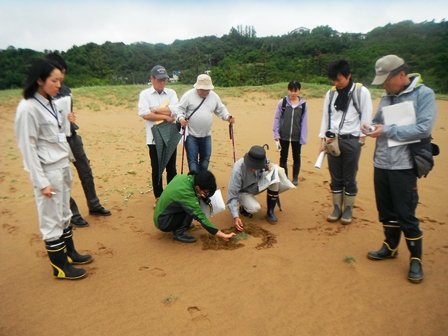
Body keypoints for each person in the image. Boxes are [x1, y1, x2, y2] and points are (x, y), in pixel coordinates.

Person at [15, 58, 93, 280]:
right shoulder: (28, 107)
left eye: (61, 80)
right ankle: (60, 267)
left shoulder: (49, 102)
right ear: (40, 80)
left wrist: (67, 121)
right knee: (51, 219)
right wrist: (41, 183)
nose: (59, 85)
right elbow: (28, 148)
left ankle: (70, 253)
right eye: (54, 80)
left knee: (64, 214)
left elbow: (59, 134)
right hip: (47, 171)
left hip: (61, 164)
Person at [364, 55, 437, 283]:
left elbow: (423, 129)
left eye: (387, 80)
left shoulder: (424, 94)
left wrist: (386, 130)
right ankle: (390, 246)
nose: (385, 85)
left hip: (404, 165)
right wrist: (370, 126)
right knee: (386, 210)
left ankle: (416, 258)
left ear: (402, 75)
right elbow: (378, 121)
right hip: (382, 162)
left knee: (406, 213)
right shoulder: (387, 96)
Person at [45, 52, 111, 228]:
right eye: (58, 73)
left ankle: (94, 205)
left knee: (85, 172)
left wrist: (71, 117)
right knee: (62, 178)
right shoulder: (40, 93)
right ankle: (72, 213)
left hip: (72, 136)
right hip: (55, 142)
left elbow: (68, 112)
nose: (61, 78)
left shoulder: (65, 90)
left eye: (63, 73)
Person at [318, 59, 373, 224]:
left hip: (352, 140)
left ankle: (348, 209)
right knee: (335, 178)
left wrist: (361, 141)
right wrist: (322, 140)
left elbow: (366, 117)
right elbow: (326, 117)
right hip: (332, 140)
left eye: (339, 79)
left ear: (348, 76)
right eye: (333, 80)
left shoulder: (361, 92)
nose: (336, 83)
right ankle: (336, 208)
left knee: (349, 178)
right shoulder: (331, 93)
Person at [153, 170, 236, 243]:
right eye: (205, 192)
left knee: (193, 202)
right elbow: (201, 217)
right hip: (164, 222)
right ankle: (179, 233)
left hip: (162, 214)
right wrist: (222, 235)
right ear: (198, 187)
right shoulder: (186, 194)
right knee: (192, 208)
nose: (205, 194)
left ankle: (183, 224)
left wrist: (200, 194)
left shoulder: (185, 178)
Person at [138, 65, 179, 208]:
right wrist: (165, 116)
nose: (162, 82)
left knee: (171, 169)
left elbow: (175, 110)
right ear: (152, 79)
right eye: (159, 80)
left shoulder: (171, 93)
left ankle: (172, 195)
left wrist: (155, 110)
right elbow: (144, 114)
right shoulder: (145, 94)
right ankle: (159, 196)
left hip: (170, 136)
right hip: (154, 138)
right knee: (157, 170)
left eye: (164, 80)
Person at [177, 74, 235, 172]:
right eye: (203, 90)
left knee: (205, 160)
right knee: (193, 161)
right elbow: (179, 109)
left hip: (206, 135)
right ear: (197, 87)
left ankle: (202, 181)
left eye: (207, 90)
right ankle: (194, 181)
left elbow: (220, 109)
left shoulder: (214, 96)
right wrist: (181, 118)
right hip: (191, 135)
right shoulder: (188, 95)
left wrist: (227, 117)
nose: (205, 92)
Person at [227, 145, 281, 230]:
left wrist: (268, 166)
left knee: (275, 179)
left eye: (258, 166)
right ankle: (243, 209)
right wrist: (235, 216)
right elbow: (232, 195)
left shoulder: (262, 160)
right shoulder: (237, 170)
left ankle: (270, 212)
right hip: (243, 191)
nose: (255, 168)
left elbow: (267, 162)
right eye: (253, 165)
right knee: (255, 208)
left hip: (257, 183)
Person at [272, 80, 308, 185]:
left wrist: (303, 137)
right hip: (283, 135)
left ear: (299, 91)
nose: (293, 93)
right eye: (291, 90)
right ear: (288, 90)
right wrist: (276, 134)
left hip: (297, 136)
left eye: (295, 91)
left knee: (296, 157)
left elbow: (304, 122)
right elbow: (277, 118)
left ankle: (295, 177)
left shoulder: (303, 105)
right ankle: (285, 178)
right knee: (283, 157)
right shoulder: (282, 103)